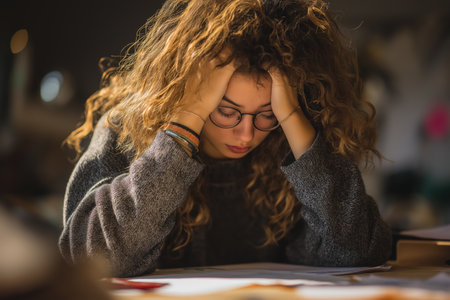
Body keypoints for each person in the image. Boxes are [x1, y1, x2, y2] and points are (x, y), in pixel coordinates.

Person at [59, 0, 392, 277]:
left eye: (267, 113)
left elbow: (359, 250)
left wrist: (292, 120)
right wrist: (186, 124)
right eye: (226, 110)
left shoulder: (288, 142)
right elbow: (93, 260)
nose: (246, 134)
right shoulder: (125, 130)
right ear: (186, 91)